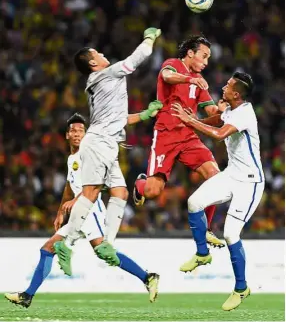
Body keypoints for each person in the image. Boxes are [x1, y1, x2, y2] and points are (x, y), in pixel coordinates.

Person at [4, 108, 163, 308]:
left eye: (81, 130)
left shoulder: (91, 153)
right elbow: (70, 188)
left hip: (91, 209)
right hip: (80, 213)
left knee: (104, 251)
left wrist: (77, 200)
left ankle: (148, 277)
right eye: (74, 130)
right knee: (47, 250)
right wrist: (61, 211)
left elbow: (99, 184)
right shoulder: (72, 159)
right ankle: (27, 295)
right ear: (67, 135)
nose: (77, 133)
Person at [54, 27, 162, 274]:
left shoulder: (101, 81)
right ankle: (67, 243)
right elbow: (138, 58)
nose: (103, 54)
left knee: (121, 193)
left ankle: (108, 245)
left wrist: (145, 114)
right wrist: (149, 37)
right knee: (91, 192)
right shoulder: (107, 74)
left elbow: (115, 117)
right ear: (93, 62)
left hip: (107, 142)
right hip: (100, 142)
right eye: (98, 53)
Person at [171, 72, 265, 311]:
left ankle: (241, 288)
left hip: (250, 182)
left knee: (231, 234)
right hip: (231, 174)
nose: (223, 85)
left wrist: (190, 121)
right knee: (194, 203)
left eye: (228, 85)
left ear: (236, 94)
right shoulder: (232, 109)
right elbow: (218, 120)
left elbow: (219, 134)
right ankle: (202, 253)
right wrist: (195, 117)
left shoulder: (244, 113)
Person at [133, 35, 224, 248]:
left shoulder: (199, 82)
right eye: (204, 56)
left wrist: (222, 111)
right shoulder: (174, 64)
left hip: (189, 137)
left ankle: (207, 228)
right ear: (190, 53)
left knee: (215, 177)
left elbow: (211, 113)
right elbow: (166, 77)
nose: (206, 62)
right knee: (153, 192)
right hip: (165, 136)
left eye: (208, 57)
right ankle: (140, 183)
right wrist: (190, 79)